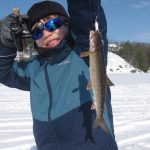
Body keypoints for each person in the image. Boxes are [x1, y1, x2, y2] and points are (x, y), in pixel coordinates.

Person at [0, 1, 118, 150]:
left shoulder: (83, 50)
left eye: (52, 24)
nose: (46, 33)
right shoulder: (33, 69)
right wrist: (6, 42)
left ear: (68, 24)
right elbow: (3, 71)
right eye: (37, 31)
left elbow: (85, 12)